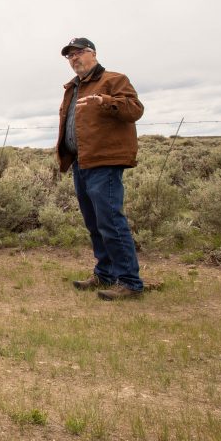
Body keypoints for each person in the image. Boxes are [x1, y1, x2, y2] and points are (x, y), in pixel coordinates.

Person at [57, 37, 145, 300]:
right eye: (69, 56)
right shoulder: (72, 87)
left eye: (78, 53)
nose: (74, 59)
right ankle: (105, 273)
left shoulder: (114, 80)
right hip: (81, 162)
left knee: (110, 221)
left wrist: (105, 101)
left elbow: (135, 110)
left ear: (92, 54)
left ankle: (129, 281)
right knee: (94, 223)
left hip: (104, 162)